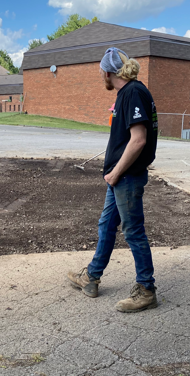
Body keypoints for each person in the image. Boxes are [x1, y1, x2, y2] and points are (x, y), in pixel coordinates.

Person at [68, 47, 158, 313]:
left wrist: (116, 172)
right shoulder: (128, 93)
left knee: (133, 232)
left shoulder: (132, 93)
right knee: (107, 226)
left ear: (107, 72)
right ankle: (91, 277)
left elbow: (139, 139)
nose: (100, 76)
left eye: (100, 72)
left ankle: (146, 289)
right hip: (120, 177)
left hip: (126, 177)